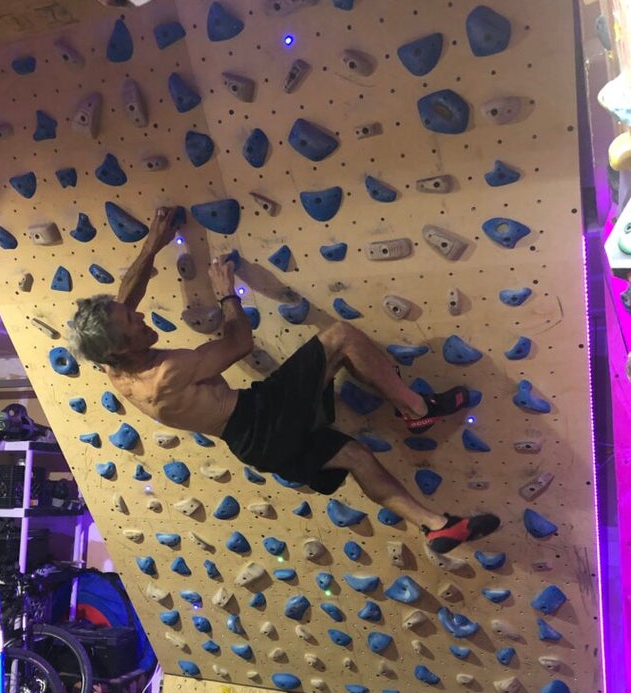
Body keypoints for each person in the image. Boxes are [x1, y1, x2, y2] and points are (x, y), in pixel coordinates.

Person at [70, 206, 500, 554]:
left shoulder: (112, 364)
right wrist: (226, 291)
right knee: (341, 338)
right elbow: (239, 344)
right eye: (133, 325)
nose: (140, 318)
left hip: (253, 447)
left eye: (132, 315)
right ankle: (418, 409)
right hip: (261, 417)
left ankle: (435, 525)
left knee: (355, 457)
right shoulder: (166, 374)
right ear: (121, 348)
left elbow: (126, 296)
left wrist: (153, 243)